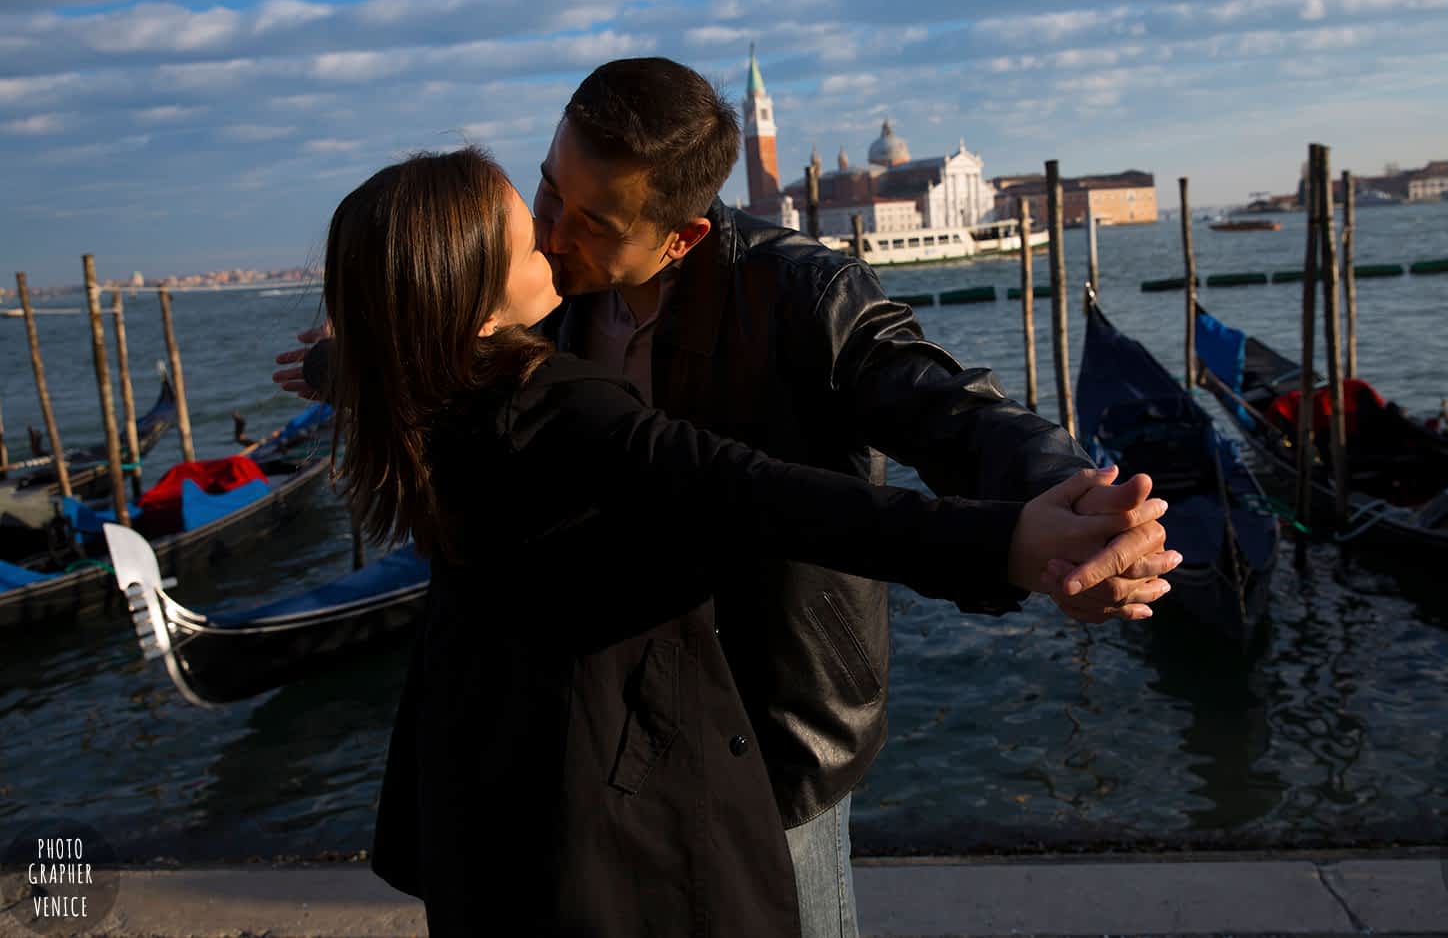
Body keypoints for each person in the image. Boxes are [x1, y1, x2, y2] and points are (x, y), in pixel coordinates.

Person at [276, 57, 1178, 936]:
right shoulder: (541, 285)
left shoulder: (799, 291)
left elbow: (943, 408)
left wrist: (1060, 505)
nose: (552, 231)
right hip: (593, 735)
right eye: (550, 190)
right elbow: (440, 340)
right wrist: (350, 358)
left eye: (591, 220)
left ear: (682, 237)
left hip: (765, 711)